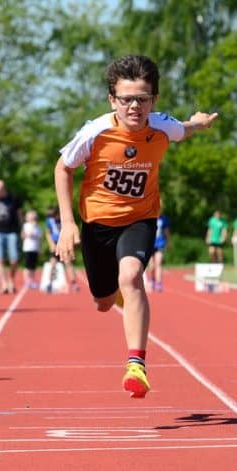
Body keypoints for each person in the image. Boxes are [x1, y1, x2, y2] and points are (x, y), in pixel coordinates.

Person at [54, 55, 218, 398]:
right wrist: (68, 223)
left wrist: (199, 123)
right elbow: (63, 168)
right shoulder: (94, 132)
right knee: (103, 300)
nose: (134, 107)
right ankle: (115, 297)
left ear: (153, 100)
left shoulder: (161, 126)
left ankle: (136, 365)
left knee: (130, 276)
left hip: (140, 219)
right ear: (112, 99)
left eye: (142, 99)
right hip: (97, 225)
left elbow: (182, 130)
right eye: (126, 99)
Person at [0, 179, 23, 294]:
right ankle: (4, 283)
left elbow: (19, 215)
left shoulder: (14, 198)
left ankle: (11, 279)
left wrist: (22, 228)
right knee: (0, 259)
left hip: (12, 231)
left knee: (14, 259)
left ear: (3, 189)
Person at [44, 206, 81, 293]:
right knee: (53, 264)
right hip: (55, 244)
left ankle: (74, 283)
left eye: (54, 215)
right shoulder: (49, 221)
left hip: (64, 243)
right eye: (51, 216)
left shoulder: (63, 220)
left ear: (58, 214)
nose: (53, 217)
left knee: (68, 263)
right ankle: (50, 283)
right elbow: (48, 233)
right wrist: (51, 244)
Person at [146, 213, 170, 292]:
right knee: (152, 266)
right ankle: (153, 279)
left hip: (160, 244)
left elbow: (166, 231)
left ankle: (159, 283)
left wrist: (168, 242)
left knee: (158, 263)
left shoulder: (163, 219)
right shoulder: (149, 216)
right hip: (150, 244)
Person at [20, 209, 42, 289]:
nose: (33, 219)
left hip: (35, 249)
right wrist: (32, 226)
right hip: (28, 248)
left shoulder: (38, 227)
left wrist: (40, 249)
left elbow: (39, 239)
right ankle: (27, 281)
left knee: (33, 266)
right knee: (27, 266)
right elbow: (26, 235)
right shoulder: (26, 225)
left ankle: (32, 281)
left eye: (34, 217)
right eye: (31, 217)